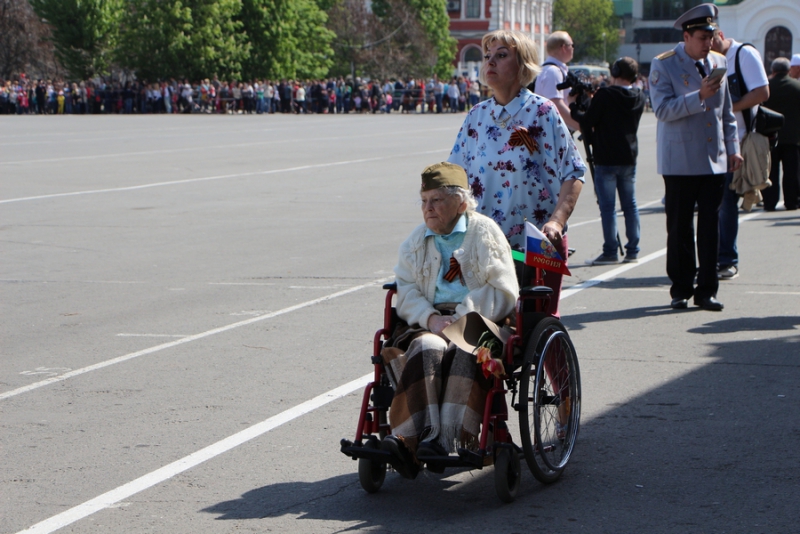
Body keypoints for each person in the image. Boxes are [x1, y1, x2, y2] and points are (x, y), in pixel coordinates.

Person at [380, 162, 519, 478]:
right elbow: (407, 289)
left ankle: (444, 438)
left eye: (436, 201)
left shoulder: (484, 232)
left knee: (464, 347)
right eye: (424, 201)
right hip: (429, 323)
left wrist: (458, 318)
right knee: (428, 346)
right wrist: (430, 319)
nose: (428, 208)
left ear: (461, 202)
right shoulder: (416, 241)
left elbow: (503, 289)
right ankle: (418, 438)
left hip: (481, 318)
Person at [448, 29, 586, 317]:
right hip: (485, 245)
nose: (490, 63)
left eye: (501, 56)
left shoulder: (543, 112)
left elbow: (573, 171)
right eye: (487, 57)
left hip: (535, 243)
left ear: (522, 65)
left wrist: (557, 222)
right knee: (483, 327)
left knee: (537, 323)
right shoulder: (477, 116)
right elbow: (455, 178)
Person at [649, 3, 743, 311]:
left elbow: (727, 113)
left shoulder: (718, 61)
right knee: (679, 227)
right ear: (687, 36)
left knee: (710, 227)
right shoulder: (664, 64)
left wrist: (734, 148)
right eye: (703, 37)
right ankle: (681, 287)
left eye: (712, 36)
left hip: (713, 158)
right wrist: (698, 96)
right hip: (679, 160)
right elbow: (662, 110)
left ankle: (707, 290)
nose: (709, 43)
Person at [571, 57, 645, 265]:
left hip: (606, 156)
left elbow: (587, 120)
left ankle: (611, 250)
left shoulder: (606, 94)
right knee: (630, 204)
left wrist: (574, 108)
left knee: (608, 206)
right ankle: (633, 249)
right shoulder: (638, 95)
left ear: (615, 71)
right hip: (629, 154)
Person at [711, 29, 770, 281]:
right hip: (711, 141)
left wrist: (727, 108)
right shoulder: (707, 59)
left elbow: (762, 92)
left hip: (739, 139)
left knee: (726, 203)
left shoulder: (743, 54)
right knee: (711, 204)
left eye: (709, 38)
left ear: (719, 34)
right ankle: (712, 259)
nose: (706, 44)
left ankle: (726, 260)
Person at [763, 57, 800, 211]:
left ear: (773, 70)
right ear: (788, 69)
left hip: (770, 135)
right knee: (792, 172)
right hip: (793, 137)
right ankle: (792, 202)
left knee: (770, 171)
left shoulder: (766, 86)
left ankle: (769, 202)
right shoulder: (797, 86)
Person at [532, 31, 581, 132]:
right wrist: (581, 125)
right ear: (563, 47)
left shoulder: (552, 69)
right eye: (572, 45)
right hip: (554, 133)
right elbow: (556, 105)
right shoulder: (553, 71)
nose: (573, 48)